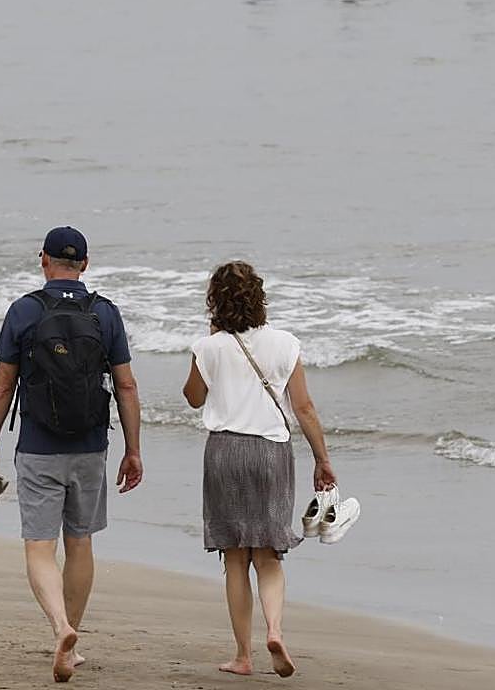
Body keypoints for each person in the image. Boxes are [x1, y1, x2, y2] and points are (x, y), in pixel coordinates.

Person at [0, 226, 144, 683]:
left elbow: (3, 385)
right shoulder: (105, 313)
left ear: (44, 260)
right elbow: (126, 386)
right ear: (84, 264)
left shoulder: (25, 310)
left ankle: (59, 627)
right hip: (90, 447)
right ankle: (72, 641)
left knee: (39, 546)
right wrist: (133, 450)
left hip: (38, 446)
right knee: (80, 541)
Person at [181, 261, 337, 679]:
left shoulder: (208, 347)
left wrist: (210, 343)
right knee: (268, 554)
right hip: (271, 452)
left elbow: (193, 398)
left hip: (224, 452)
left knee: (235, 557)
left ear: (215, 301)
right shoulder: (285, 344)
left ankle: (243, 656)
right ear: (259, 298)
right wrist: (322, 460)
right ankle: (275, 631)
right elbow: (303, 407)